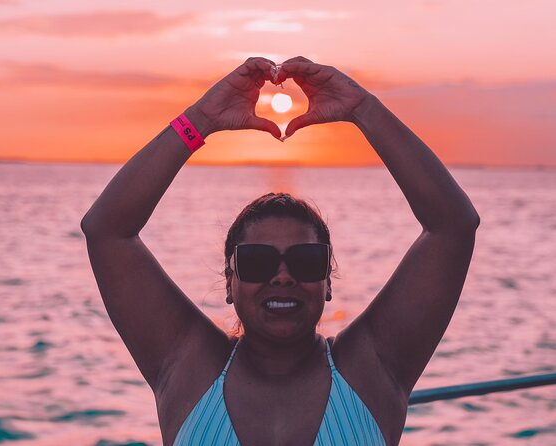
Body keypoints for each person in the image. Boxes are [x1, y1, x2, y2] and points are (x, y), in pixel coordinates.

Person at [81, 56, 480, 446]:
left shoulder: (371, 368)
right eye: (258, 261)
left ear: (328, 282)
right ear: (229, 280)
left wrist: (363, 108)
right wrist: (201, 119)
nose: (283, 276)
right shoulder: (189, 368)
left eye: (306, 261)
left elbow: (453, 227)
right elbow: (106, 231)